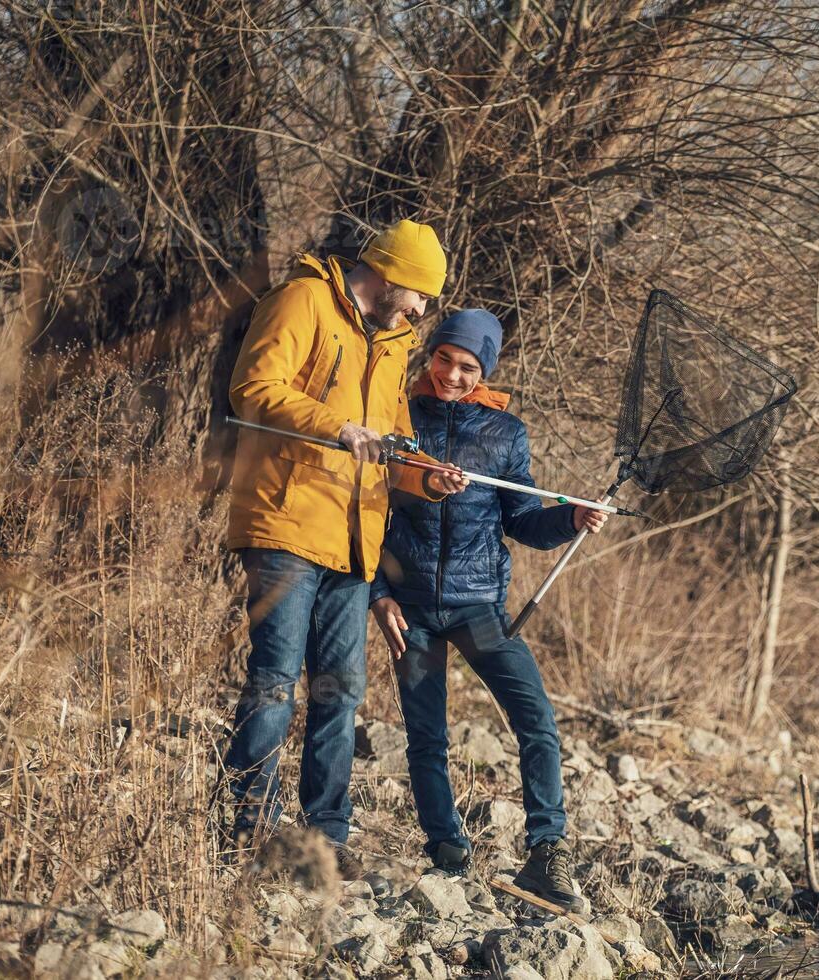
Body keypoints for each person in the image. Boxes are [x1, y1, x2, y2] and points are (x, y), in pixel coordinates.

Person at [222, 219, 468, 894]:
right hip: (284, 522)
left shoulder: (396, 344)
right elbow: (255, 388)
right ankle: (249, 833)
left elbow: (396, 444)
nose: (422, 310)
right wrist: (338, 427)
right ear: (387, 275)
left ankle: (326, 839)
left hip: (356, 544)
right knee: (275, 681)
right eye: (419, 293)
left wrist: (427, 476)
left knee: (340, 693)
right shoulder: (301, 300)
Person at [370, 308, 606, 914]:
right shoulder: (397, 415)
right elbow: (366, 511)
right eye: (445, 358)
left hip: (479, 607)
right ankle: (446, 849)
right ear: (432, 355)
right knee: (426, 736)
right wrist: (378, 593)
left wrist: (571, 518)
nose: (451, 374)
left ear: (484, 372)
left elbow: (523, 518)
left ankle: (546, 852)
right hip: (412, 607)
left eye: (468, 366)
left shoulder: (505, 434)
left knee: (536, 721)